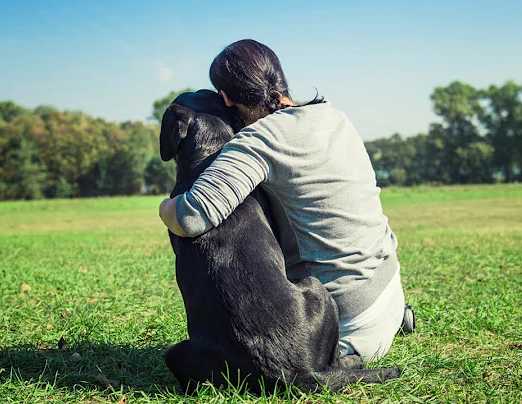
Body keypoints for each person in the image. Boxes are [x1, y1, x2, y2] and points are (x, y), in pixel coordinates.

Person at [159, 39, 414, 360]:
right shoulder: (335, 117)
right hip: (389, 291)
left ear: (225, 97)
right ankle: (391, 322)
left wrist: (165, 206)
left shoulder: (259, 139)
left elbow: (192, 217)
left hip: (343, 327)